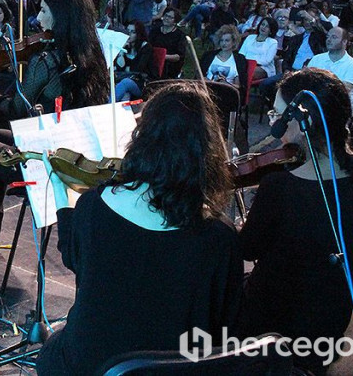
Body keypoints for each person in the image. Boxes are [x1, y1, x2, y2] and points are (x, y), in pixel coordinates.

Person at [35, 81, 242, 376]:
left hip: (91, 366)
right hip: (175, 370)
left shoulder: (94, 205)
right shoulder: (221, 237)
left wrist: (59, 191)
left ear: (142, 137)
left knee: (53, 350)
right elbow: (224, 322)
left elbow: (74, 258)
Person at [0, 0, 110, 264]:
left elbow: (10, 109)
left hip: (48, 165)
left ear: (60, 16)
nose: (38, 19)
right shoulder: (92, 55)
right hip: (78, 155)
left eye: (45, 10)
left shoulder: (46, 61)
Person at [239, 68, 353, 374]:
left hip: (276, 327)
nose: (275, 122)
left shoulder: (280, 184)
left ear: (303, 124)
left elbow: (246, 249)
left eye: (277, 113)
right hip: (331, 318)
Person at [307, 27, 353, 106]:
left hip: (339, 110)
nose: (328, 40)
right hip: (315, 106)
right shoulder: (316, 59)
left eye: (334, 37)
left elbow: (341, 91)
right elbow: (306, 82)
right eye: (328, 37)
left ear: (344, 42)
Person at [198, 24, 249, 102]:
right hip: (207, 90)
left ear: (233, 42)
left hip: (227, 93)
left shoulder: (239, 60)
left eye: (227, 40)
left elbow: (239, 86)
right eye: (221, 40)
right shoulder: (208, 56)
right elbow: (198, 77)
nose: (223, 43)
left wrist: (225, 83)